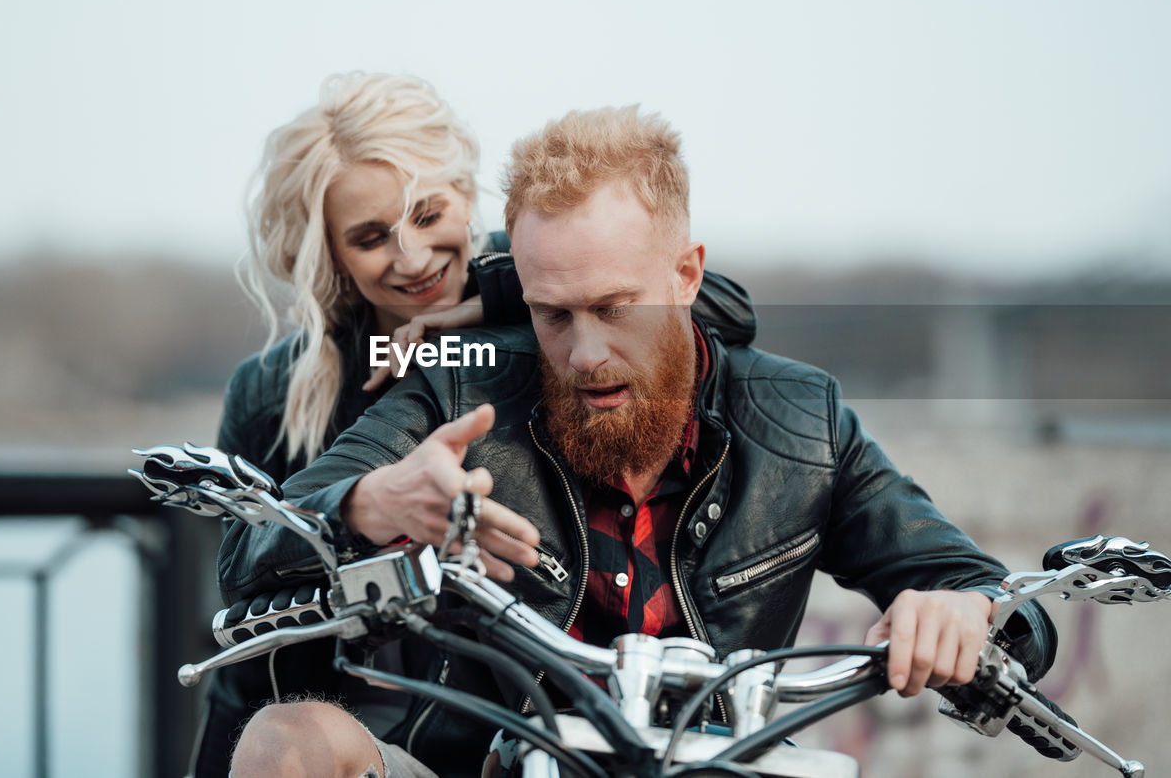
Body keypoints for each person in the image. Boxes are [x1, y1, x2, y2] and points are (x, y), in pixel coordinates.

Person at [219, 107, 1058, 778]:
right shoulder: (453, 383)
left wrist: (964, 610)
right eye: (553, 314)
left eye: (616, 306)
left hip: (717, 755)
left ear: (686, 275)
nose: (584, 353)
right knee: (286, 743)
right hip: (487, 759)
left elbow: (991, 595)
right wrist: (371, 500)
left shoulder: (799, 416)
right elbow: (254, 544)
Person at [194, 76, 759, 776]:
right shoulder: (273, 389)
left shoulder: (539, 293)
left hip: (518, 728)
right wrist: (363, 510)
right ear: (330, 251)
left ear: (465, 196)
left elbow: (729, 311)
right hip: (340, 724)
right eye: (370, 237)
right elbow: (241, 579)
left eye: (429, 215)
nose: (412, 257)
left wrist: (497, 289)